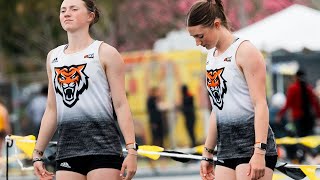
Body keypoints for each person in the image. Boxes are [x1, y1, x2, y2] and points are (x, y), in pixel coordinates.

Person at [32, 0, 137, 180]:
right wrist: (37, 153)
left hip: (103, 149)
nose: (67, 13)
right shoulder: (53, 57)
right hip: (67, 152)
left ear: (90, 16)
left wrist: (131, 150)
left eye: (73, 9)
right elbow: (52, 109)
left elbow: (120, 104)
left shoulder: (106, 53)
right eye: (63, 10)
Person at [186, 1, 278, 180]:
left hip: (252, 147)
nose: (198, 43)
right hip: (226, 149)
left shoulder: (245, 51)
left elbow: (260, 104)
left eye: (200, 36)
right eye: (194, 38)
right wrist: (207, 152)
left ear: (217, 24)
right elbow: (217, 109)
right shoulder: (211, 58)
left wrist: (259, 152)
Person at [277, 69, 320, 137]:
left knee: (300, 138)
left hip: (298, 118)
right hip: (309, 118)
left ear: (296, 77)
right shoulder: (309, 88)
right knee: (309, 138)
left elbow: (287, 104)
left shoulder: (293, 88)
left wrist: (280, 115)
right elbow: (315, 103)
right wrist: (318, 116)